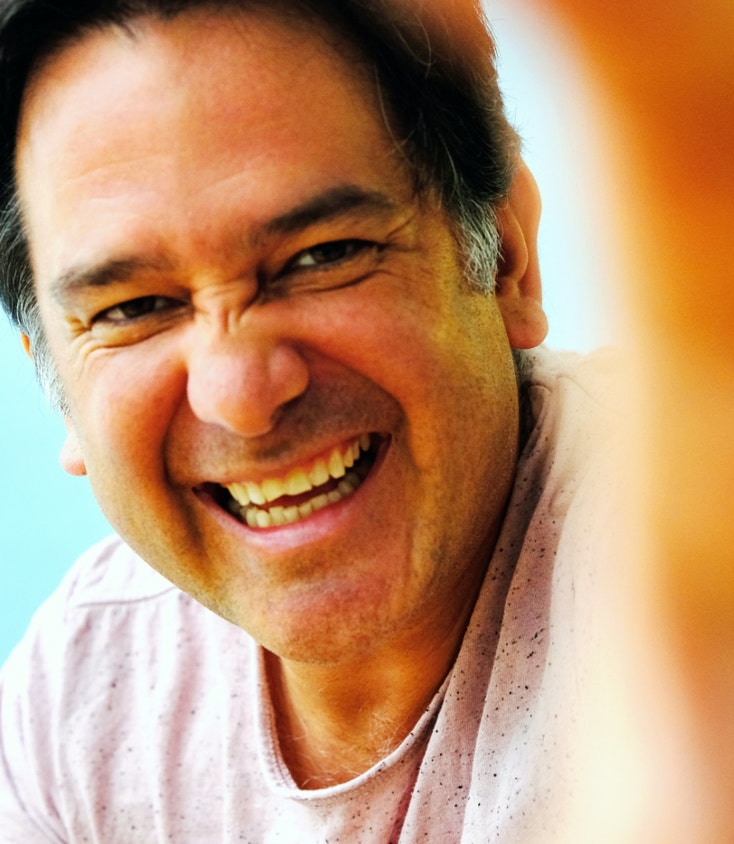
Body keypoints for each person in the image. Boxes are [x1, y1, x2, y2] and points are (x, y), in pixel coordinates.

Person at [0, 0, 627, 840]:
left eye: (321, 257)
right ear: (58, 383)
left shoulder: (692, 556)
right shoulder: (82, 693)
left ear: (507, 255)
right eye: (135, 308)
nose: (241, 396)